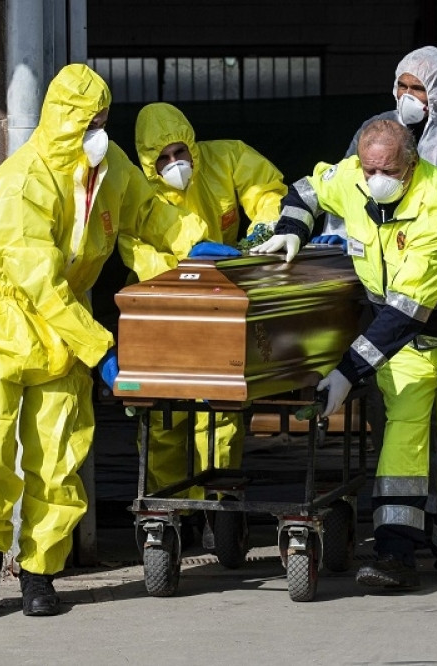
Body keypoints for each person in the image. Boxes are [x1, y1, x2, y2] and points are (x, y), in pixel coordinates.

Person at [0, 64, 221, 618]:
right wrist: (101, 349)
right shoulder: (20, 183)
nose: (99, 129)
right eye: (89, 120)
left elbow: (149, 215)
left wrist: (199, 246)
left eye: (104, 118)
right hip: (2, 324)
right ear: (62, 119)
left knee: (58, 454)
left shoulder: (111, 166)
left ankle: (39, 573)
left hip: (64, 326)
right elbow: (40, 284)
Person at [251, 119, 437, 589]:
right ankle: (394, 554)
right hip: (406, 342)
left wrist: (346, 372)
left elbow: (406, 312)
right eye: (369, 168)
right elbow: (306, 190)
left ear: (412, 165)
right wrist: (291, 229)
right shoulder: (351, 177)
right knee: (401, 441)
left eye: (386, 169)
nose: (374, 179)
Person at [131, 101, 286, 549]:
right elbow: (127, 240)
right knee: (166, 415)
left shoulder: (226, 158)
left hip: (223, 300)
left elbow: (266, 188)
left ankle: (220, 501)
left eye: (180, 151)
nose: (174, 163)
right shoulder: (136, 187)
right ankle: (171, 510)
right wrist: (176, 265)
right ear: (147, 161)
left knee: (223, 409)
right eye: (162, 158)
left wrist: (265, 229)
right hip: (162, 305)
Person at [315, 45, 437, 245]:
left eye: (418, 88)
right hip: (378, 253)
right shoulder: (376, 129)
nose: (407, 96)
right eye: (402, 86)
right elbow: (347, 184)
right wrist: (345, 234)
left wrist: (396, 242)